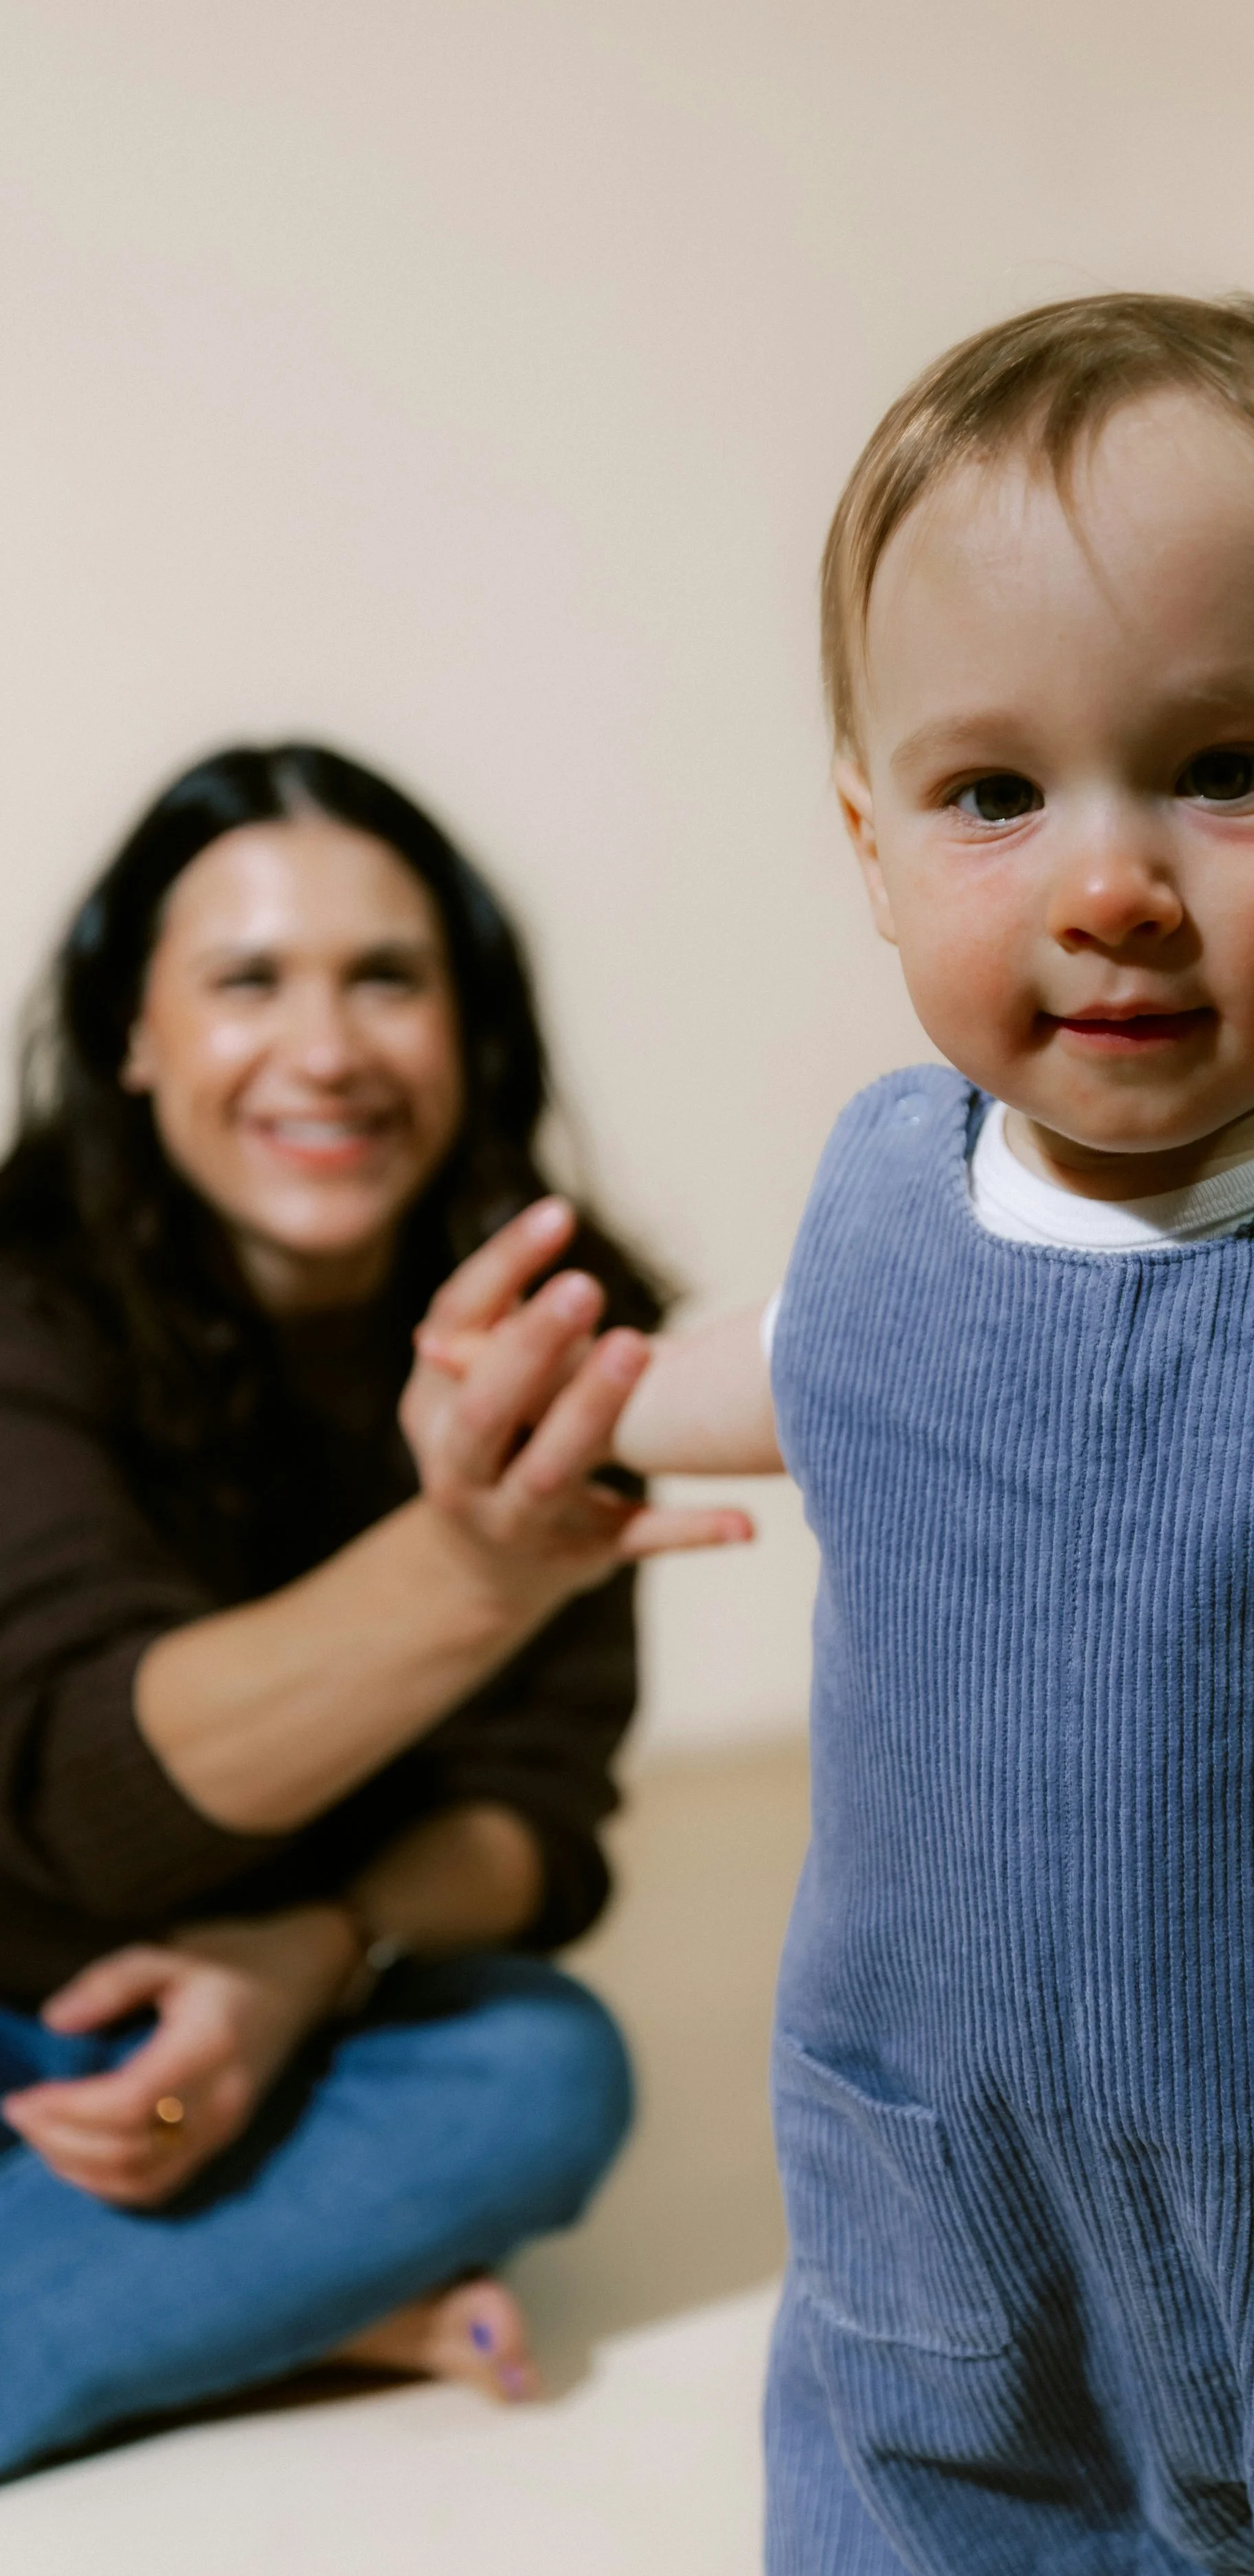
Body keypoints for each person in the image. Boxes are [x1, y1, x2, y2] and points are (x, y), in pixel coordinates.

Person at [453, 296, 1254, 2567]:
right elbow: (803, 1368)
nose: (1110, 880)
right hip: (956, 2250)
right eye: (995, 792)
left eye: (1225, 767)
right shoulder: (881, 1205)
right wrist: (588, 1405)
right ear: (871, 833)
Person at [0, 742, 748, 2477]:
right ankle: (293, 2307)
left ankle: (174, 2297)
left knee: (540, 2072)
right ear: (136, 1034)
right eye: (248, 979)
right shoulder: (24, 1296)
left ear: (466, 1028)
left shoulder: (567, 1329)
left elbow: (534, 1818)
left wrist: (312, 1950)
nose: (324, 1048)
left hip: (284, 2011)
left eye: (385, 980)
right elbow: (89, 1800)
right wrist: (470, 1559)